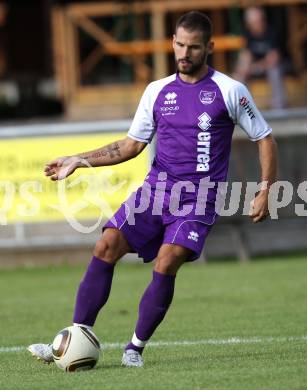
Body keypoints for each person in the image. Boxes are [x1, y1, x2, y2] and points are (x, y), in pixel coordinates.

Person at [27, 11, 277, 368]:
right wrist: (78, 160)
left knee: (168, 258)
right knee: (106, 244)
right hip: (156, 192)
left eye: (193, 47)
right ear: (172, 42)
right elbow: (130, 146)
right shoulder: (156, 91)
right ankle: (74, 337)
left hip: (198, 199)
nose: (184, 53)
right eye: (179, 45)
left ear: (209, 46)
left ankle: (135, 348)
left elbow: (265, 138)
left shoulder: (230, 90)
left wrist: (265, 190)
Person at [233, 6, 286, 109]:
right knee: (239, 76)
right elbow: (246, 54)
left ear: (263, 20)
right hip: (254, 66)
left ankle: (279, 107)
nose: (256, 25)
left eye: (258, 21)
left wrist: (257, 66)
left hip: (269, 66)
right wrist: (242, 68)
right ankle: (244, 108)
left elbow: (274, 58)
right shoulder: (248, 34)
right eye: (252, 23)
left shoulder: (272, 32)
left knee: (275, 71)